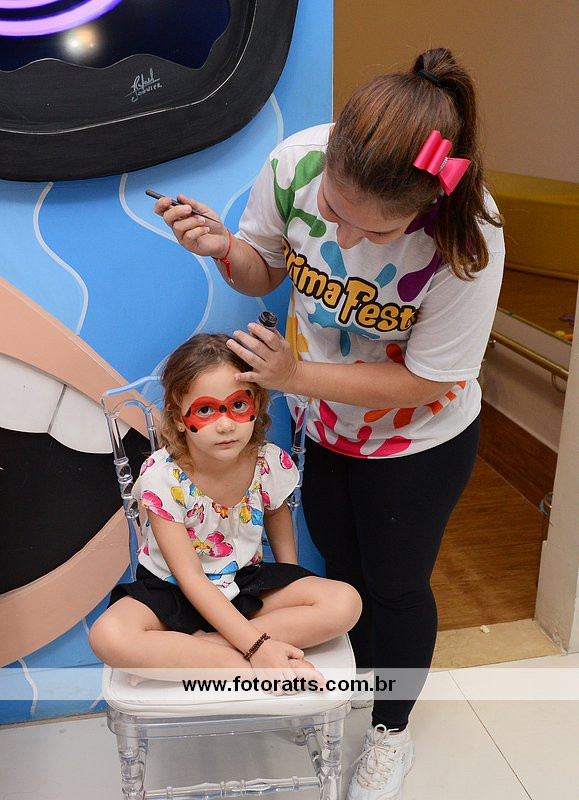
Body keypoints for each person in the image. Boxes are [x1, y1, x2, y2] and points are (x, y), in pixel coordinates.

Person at [154, 48, 505, 800]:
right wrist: (225, 250)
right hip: (323, 427)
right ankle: (356, 692)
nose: (342, 240)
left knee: (397, 585)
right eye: (334, 214)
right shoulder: (296, 163)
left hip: (417, 437)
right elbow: (266, 267)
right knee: (344, 570)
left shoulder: (466, 235)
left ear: (422, 205)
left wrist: (294, 378)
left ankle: (390, 731)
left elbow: (429, 379)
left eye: (373, 233)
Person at [89, 333, 362, 687]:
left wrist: (291, 578)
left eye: (238, 406)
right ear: (177, 418)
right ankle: (254, 658)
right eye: (205, 410)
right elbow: (190, 578)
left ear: (256, 405)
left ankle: (201, 650)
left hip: (243, 583)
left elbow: (277, 514)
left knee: (345, 603)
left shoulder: (267, 462)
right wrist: (257, 645)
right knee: (108, 636)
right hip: (174, 590)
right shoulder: (162, 478)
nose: (226, 424)